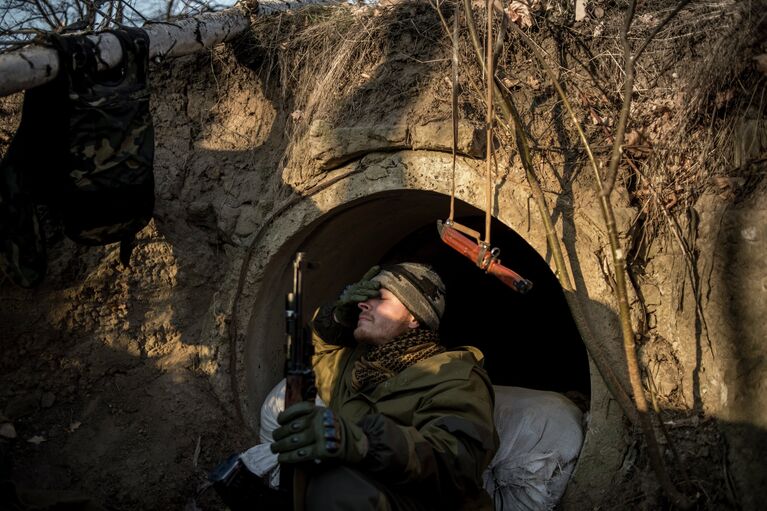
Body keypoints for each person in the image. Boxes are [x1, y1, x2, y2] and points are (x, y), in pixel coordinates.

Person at [270, 263, 499, 510]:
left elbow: (456, 462)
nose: (363, 304)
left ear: (414, 317)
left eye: (381, 297)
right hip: (361, 492)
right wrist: (337, 317)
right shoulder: (356, 365)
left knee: (335, 488)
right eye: (365, 297)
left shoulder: (454, 376)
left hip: (422, 502)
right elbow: (317, 351)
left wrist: (364, 442)